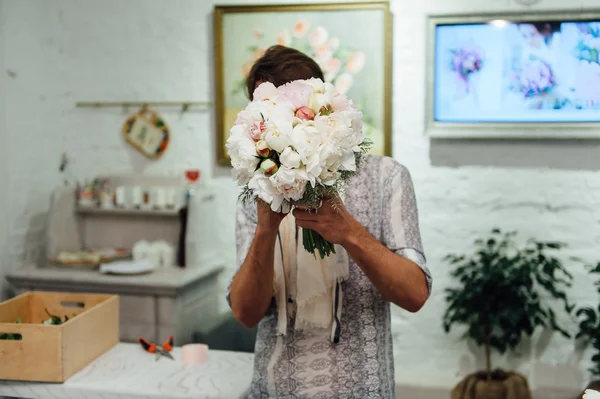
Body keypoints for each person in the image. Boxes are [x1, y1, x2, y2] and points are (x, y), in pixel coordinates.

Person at [226, 45, 432, 398]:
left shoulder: (386, 177)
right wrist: (265, 229)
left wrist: (349, 232)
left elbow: (415, 294)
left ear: (318, 112)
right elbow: (246, 313)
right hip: (276, 389)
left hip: (361, 387)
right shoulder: (258, 188)